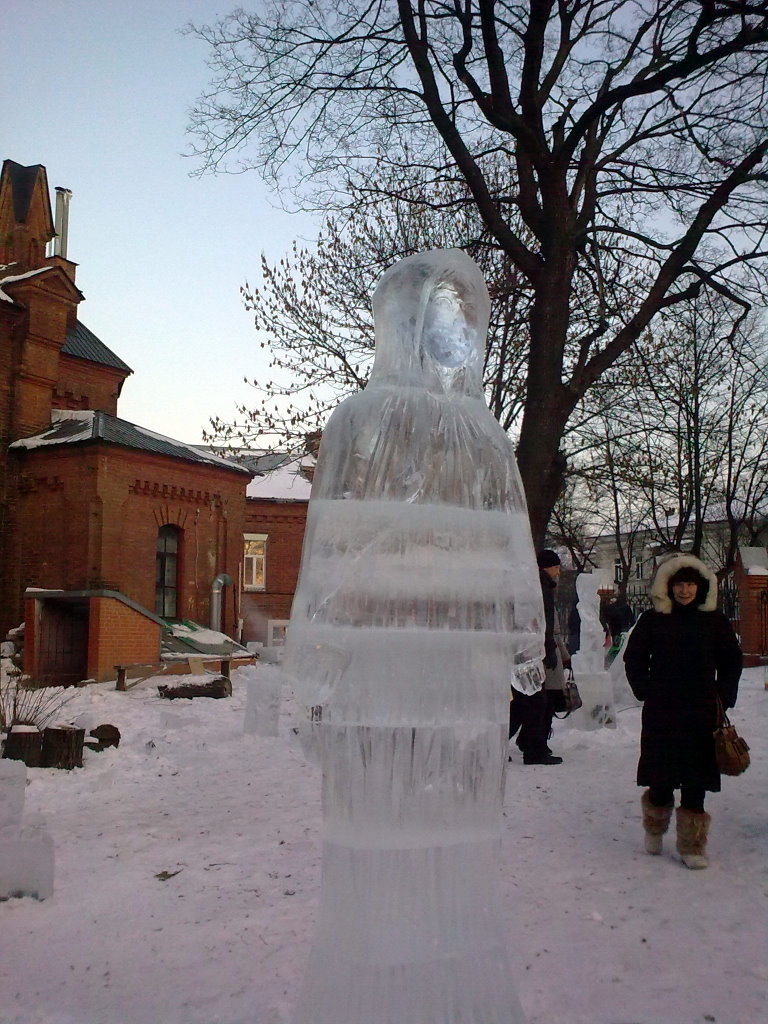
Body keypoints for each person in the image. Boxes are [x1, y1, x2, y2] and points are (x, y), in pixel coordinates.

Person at [623, 553, 742, 869]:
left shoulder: (714, 621)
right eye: (679, 584)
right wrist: (645, 689)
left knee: (695, 780)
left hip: (701, 711)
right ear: (668, 586)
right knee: (661, 777)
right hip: (662, 710)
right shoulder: (653, 620)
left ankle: (691, 846)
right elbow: (634, 657)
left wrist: (723, 695)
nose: (685, 590)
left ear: (700, 587)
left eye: (690, 584)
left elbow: (731, 660)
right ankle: (654, 827)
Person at [509, 549, 568, 765]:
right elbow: (542, 624)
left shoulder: (537, 585)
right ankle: (532, 750)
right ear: (546, 567)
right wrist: (548, 649)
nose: (558, 572)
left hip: (528, 651)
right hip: (532, 652)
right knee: (534, 702)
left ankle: (526, 746)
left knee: (525, 703)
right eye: (556, 567)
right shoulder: (540, 587)